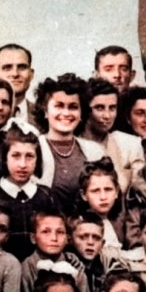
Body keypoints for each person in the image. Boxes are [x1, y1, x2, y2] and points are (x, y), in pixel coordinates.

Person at [0, 125, 59, 261]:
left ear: (37, 160)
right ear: (5, 158)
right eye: (15, 156)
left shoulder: (47, 195)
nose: (22, 164)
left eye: (29, 156)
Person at [32, 74, 106, 208]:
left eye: (73, 107)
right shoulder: (33, 148)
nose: (66, 113)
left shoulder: (96, 152)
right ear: (45, 111)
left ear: (81, 113)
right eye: (59, 106)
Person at [18, 210, 93, 292]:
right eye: (46, 232)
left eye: (60, 232)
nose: (54, 238)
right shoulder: (27, 267)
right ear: (33, 238)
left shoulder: (75, 266)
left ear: (67, 238)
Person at [79, 79, 146, 195]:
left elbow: (141, 189)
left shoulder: (130, 144)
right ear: (86, 110)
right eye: (99, 108)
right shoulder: (74, 146)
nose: (107, 115)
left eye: (112, 108)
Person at [0, 43, 38, 130]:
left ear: (31, 74)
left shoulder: (44, 115)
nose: (15, 74)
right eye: (7, 68)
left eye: (22, 67)